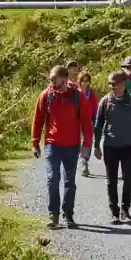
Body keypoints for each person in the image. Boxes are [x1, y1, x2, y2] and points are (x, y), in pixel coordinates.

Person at [31, 64, 93, 229]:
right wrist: (35, 142)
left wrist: (87, 145)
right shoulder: (46, 96)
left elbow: (86, 121)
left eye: (54, 79)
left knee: (70, 182)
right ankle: (54, 215)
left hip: (72, 146)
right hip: (52, 145)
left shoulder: (77, 96)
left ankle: (68, 215)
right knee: (52, 179)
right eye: (50, 79)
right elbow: (38, 119)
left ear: (64, 80)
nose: (51, 82)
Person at [93, 70, 131, 224]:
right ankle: (114, 212)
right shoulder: (105, 101)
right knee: (111, 180)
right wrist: (96, 145)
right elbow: (98, 125)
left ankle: (125, 210)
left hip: (128, 146)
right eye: (109, 83)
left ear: (123, 84)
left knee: (128, 179)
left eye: (114, 83)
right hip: (110, 146)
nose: (111, 86)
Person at [77, 71, 99, 177]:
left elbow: (95, 107)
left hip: (89, 121)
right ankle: (78, 160)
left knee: (88, 142)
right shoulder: (76, 93)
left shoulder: (91, 94)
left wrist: (96, 120)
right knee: (77, 141)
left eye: (87, 80)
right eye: (83, 80)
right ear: (79, 81)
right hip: (76, 121)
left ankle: (84, 162)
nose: (85, 83)